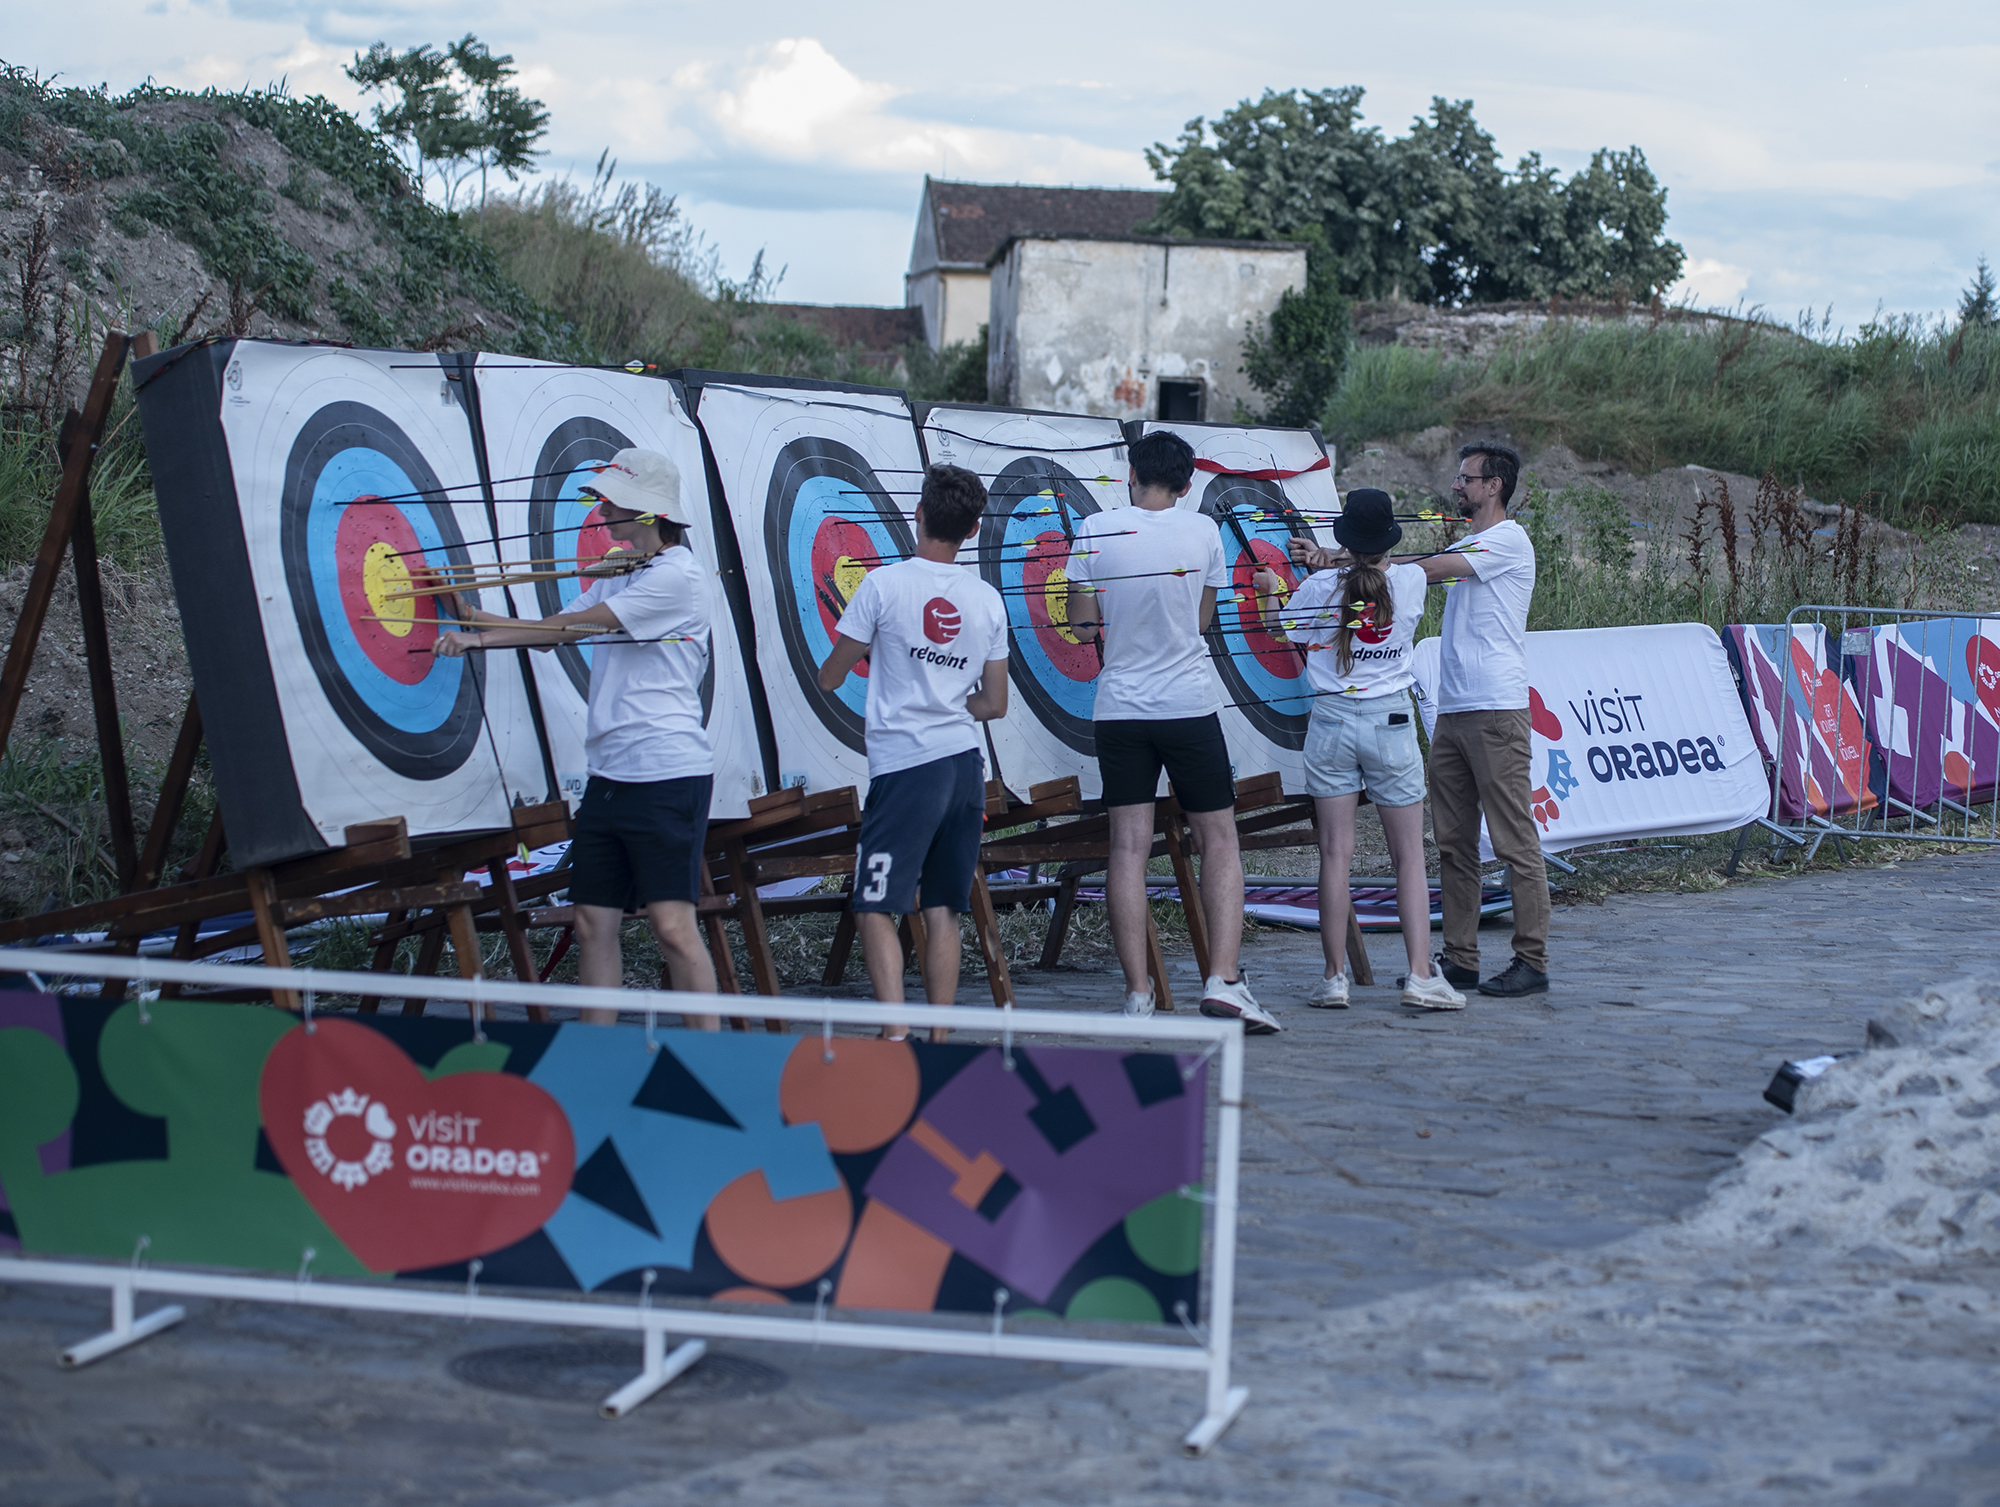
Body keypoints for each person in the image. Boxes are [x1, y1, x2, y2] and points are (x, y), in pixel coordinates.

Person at [433, 448, 721, 1027]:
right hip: (610, 775)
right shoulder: (626, 566)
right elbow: (547, 636)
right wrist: (472, 616)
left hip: (666, 774)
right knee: (593, 922)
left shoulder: (677, 577)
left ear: (646, 511)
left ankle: (712, 1058)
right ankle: (600, 1062)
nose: (602, 512)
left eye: (612, 503)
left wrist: (477, 641)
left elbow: (576, 627)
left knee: (671, 926)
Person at [1291, 441, 1548, 998]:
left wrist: (1339, 558)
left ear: (1494, 485)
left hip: (1496, 707)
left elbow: (1421, 571)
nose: (1458, 486)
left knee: (1512, 840)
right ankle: (1460, 957)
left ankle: (1532, 958)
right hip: (1454, 708)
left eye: (1467, 478)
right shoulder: (1472, 538)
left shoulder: (1507, 539)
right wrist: (1343, 559)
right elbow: (1393, 570)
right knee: (1453, 842)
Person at [1066, 430, 1281, 1034]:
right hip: (1187, 705)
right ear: (1188, 487)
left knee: (1128, 850)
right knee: (1219, 841)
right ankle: (1223, 982)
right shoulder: (1204, 532)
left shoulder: (1094, 530)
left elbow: (1083, 630)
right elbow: (1202, 619)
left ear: (1132, 475)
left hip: (1120, 710)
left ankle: (1138, 995)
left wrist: (1101, 613)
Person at [1251, 488, 1466, 1010]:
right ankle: (1419, 974)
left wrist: (1269, 591)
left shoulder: (1322, 585)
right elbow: (1383, 574)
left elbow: (1279, 627)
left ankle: (1333, 978)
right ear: (1389, 537)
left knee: (1334, 855)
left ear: (1345, 537)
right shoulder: (1411, 581)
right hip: (1390, 722)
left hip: (1330, 723)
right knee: (1409, 856)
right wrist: (1342, 559)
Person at [816, 464, 1009, 1041]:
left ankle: (896, 1036)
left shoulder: (882, 586)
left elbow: (829, 677)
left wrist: (886, 659)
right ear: (973, 529)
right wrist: (947, 698)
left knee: (876, 904)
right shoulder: (988, 599)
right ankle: (939, 1040)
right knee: (942, 907)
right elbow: (994, 704)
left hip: (906, 767)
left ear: (918, 514)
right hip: (964, 765)